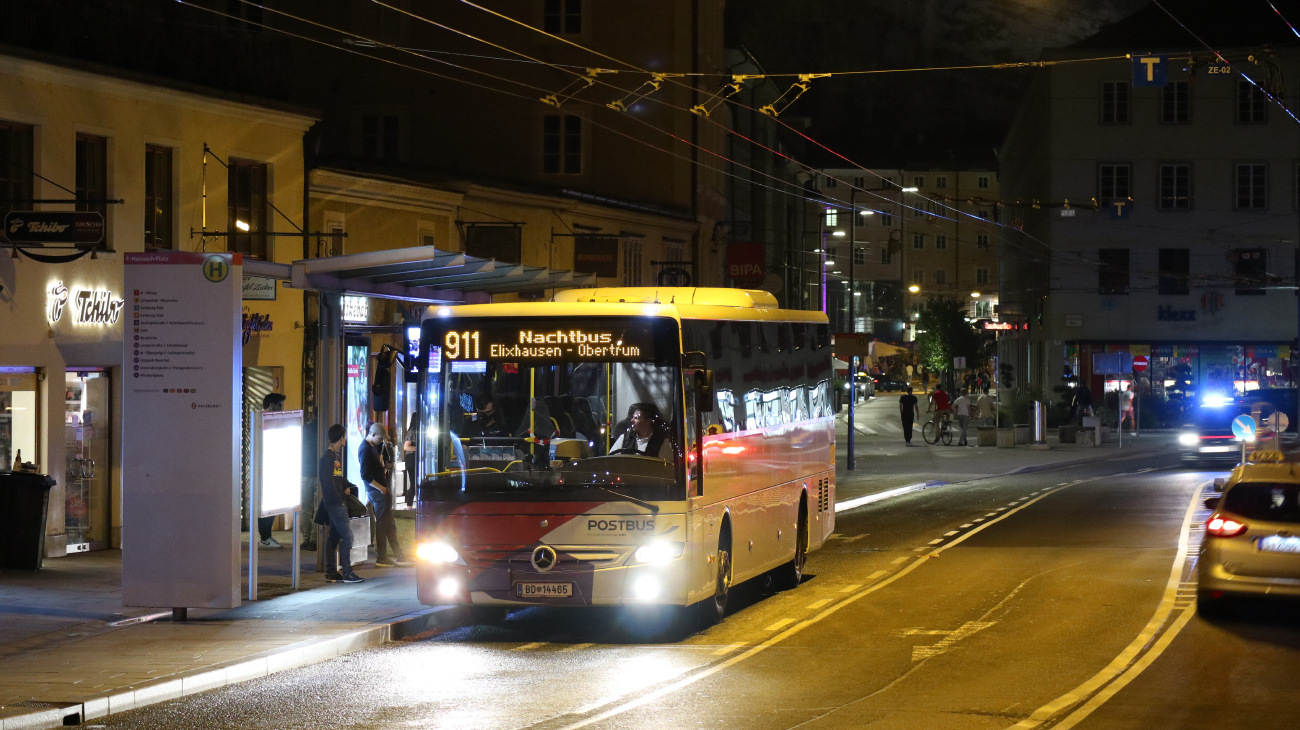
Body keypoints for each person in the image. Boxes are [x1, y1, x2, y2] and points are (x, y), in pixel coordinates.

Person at [314, 424, 364, 583]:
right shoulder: (328, 458)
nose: (346, 439)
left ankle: (331, 572)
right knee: (348, 537)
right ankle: (348, 572)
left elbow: (338, 479)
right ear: (341, 437)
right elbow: (328, 483)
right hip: (335, 504)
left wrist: (348, 486)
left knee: (334, 537)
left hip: (336, 502)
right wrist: (340, 499)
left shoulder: (335, 456)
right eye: (345, 436)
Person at [361, 423, 411, 568]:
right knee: (384, 525)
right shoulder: (365, 449)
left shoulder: (370, 448)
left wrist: (383, 469)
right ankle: (382, 557)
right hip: (378, 492)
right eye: (380, 438)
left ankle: (399, 555)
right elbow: (365, 475)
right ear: (374, 434)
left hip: (378, 492)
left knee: (389, 525)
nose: (381, 441)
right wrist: (381, 488)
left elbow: (370, 473)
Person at [257, 393, 287, 549]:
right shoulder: (260, 421)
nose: (282, 408)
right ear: (272, 405)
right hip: (263, 471)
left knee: (273, 504)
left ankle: (267, 536)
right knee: (264, 505)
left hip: (274, 468)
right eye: (280, 405)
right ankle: (265, 537)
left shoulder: (277, 421)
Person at [610, 403, 674, 459]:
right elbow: (612, 460)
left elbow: (665, 468)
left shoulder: (663, 443)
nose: (632, 420)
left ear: (648, 421)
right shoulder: (624, 438)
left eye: (636, 418)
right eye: (632, 417)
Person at [402, 414, 418, 508]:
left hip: (415, 460)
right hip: (412, 460)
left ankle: (410, 505)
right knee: (413, 483)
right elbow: (406, 447)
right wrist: (419, 448)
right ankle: (409, 505)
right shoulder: (412, 431)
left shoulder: (419, 431)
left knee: (415, 483)